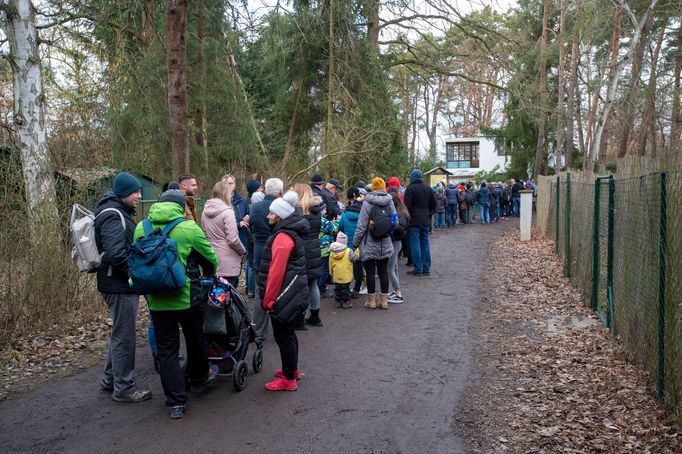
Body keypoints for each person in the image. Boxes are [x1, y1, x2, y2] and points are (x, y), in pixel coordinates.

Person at [134, 189, 219, 418]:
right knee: (195, 339)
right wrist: (209, 273)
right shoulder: (188, 228)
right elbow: (210, 258)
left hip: (156, 299)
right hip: (186, 297)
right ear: (183, 207)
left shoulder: (141, 227)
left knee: (167, 350)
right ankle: (199, 380)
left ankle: (175, 402)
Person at [95, 172, 151, 403]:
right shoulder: (112, 215)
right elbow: (115, 253)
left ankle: (110, 379)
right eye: (135, 192)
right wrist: (134, 273)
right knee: (124, 337)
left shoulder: (115, 211)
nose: (139, 195)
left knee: (120, 332)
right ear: (124, 193)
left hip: (116, 283)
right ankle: (125, 388)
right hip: (118, 285)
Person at [258, 191, 310, 391]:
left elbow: (276, 272)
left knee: (283, 336)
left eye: (272, 214)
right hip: (292, 291)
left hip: (283, 294)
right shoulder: (289, 232)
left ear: (280, 216)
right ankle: (292, 370)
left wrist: (269, 299)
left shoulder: (282, 237)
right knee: (289, 333)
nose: (268, 216)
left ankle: (288, 379)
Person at [353, 177, 396, 310]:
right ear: (383, 187)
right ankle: (384, 302)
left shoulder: (367, 202)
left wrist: (355, 244)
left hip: (369, 242)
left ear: (372, 188)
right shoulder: (390, 201)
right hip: (385, 242)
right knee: (383, 271)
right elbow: (395, 221)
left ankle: (371, 301)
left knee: (370, 272)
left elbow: (361, 226)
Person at [249, 178, 284, 346]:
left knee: (260, 293)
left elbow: (253, 229)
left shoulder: (255, 207)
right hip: (277, 254)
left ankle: (258, 331)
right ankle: (281, 327)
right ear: (280, 191)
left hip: (259, 253)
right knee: (279, 290)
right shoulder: (283, 209)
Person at [201, 180, 246, 289]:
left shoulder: (204, 212)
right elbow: (233, 239)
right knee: (229, 297)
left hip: (211, 257)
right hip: (228, 261)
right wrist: (242, 251)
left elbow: (205, 235)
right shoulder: (228, 212)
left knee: (215, 297)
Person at [293, 183, 324, 328]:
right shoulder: (317, 210)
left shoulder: (295, 211)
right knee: (313, 284)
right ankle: (315, 316)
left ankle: (299, 318)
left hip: (300, 249)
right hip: (315, 247)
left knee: (299, 285)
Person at [404, 169, 435, 277]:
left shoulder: (410, 189)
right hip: (425, 220)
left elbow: (406, 206)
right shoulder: (428, 189)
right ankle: (426, 268)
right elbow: (433, 205)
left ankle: (418, 268)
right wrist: (428, 214)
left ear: (412, 177)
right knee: (425, 244)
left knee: (415, 245)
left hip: (414, 221)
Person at [338, 187, 364, 298]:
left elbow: (340, 229)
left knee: (347, 268)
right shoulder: (362, 217)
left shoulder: (343, 216)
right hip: (359, 246)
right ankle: (357, 289)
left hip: (347, 247)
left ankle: (346, 289)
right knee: (359, 268)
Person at [387, 191, 409, 304]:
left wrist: (390, 227)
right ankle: (396, 291)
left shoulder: (400, 214)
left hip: (395, 242)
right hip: (396, 242)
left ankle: (398, 293)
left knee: (389, 269)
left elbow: (400, 228)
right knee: (394, 268)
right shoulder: (401, 211)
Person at [328, 232, 359, 309]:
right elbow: (354, 259)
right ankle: (346, 302)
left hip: (336, 274)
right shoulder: (348, 251)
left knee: (337, 288)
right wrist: (357, 252)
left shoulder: (332, 251)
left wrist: (331, 273)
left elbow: (330, 263)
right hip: (346, 275)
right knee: (345, 289)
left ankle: (338, 301)